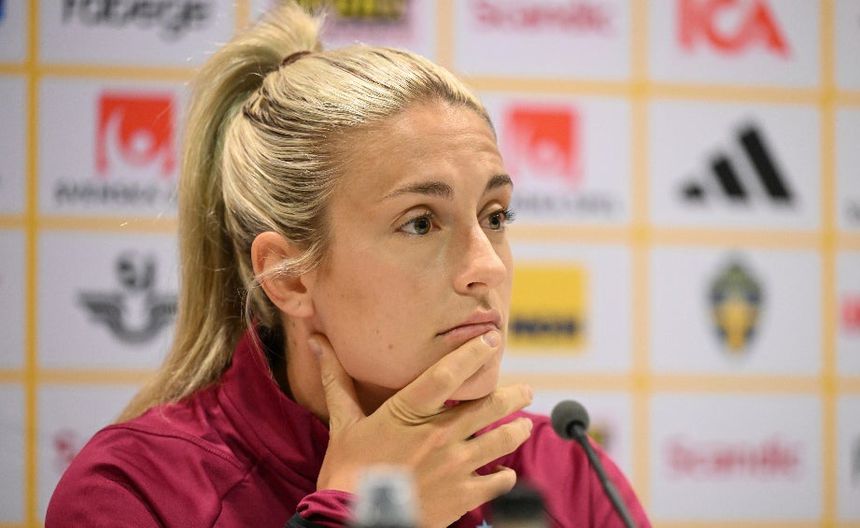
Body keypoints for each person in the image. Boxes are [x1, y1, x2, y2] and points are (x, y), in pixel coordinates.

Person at [46, 2, 651, 527]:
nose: (488, 266)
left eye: (495, 216)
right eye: (421, 223)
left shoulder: (564, 471)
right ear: (288, 275)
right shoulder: (133, 489)